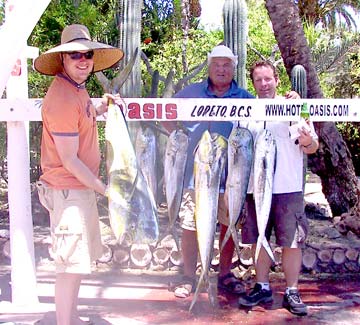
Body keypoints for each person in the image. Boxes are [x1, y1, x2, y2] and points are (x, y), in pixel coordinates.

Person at [34, 24, 123, 325]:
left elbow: (83, 114)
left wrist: (102, 105)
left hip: (78, 189)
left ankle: (70, 318)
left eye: (87, 54)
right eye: (75, 55)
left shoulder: (77, 90)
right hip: (68, 190)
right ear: (63, 60)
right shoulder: (61, 98)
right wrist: (105, 190)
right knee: (68, 266)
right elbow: (69, 159)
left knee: (77, 263)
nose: (83, 60)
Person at [163, 45, 254, 298]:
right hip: (196, 178)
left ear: (233, 68)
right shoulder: (189, 93)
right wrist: (181, 141)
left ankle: (224, 275)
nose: (222, 69)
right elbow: (162, 113)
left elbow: (264, 119)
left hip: (231, 180)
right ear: (209, 67)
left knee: (228, 225)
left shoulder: (245, 98)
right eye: (217, 64)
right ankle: (189, 277)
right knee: (191, 226)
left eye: (227, 65)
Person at [238, 60, 319, 316]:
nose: (263, 84)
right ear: (253, 84)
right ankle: (261, 286)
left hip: (288, 187)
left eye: (268, 79)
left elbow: (312, 145)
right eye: (258, 80)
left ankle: (292, 291)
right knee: (259, 238)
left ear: (277, 81)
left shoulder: (294, 107)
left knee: (292, 241)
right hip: (255, 188)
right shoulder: (245, 111)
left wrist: (307, 140)